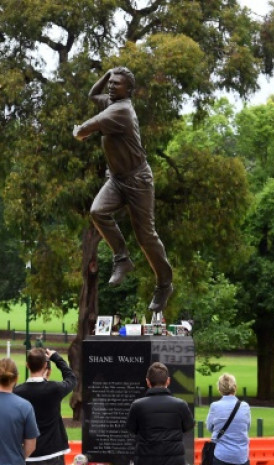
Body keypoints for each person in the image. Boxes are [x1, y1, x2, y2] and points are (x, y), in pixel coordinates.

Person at [72, 66, 174, 312]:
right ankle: (122, 258)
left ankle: (164, 284)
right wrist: (108, 73)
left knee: (146, 236)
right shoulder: (112, 103)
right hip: (117, 180)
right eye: (111, 82)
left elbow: (83, 130)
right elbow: (92, 95)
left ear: (128, 90)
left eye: (116, 83)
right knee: (97, 212)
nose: (111, 86)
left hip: (138, 180)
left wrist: (77, 131)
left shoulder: (122, 111)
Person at [14, 347, 78, 465]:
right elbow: (72, 378)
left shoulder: (18, 392)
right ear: (45, 366)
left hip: (30, 454)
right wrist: (57, 358)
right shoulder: (53, 389)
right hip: (53, 453)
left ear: (27, 365)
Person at [126, 362, 194, 465]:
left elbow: (131, 429)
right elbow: (188, 427)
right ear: (168, 381)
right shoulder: (180, 405)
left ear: (148, 382)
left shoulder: (138, 405)